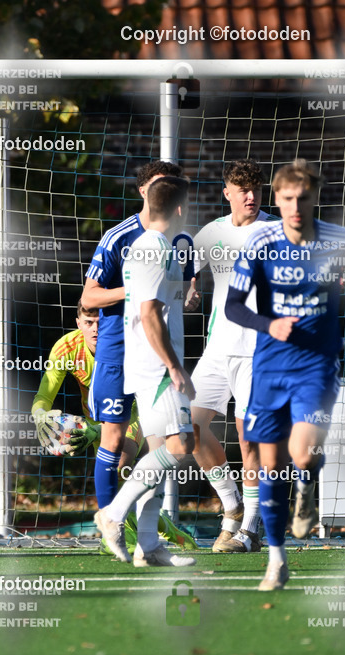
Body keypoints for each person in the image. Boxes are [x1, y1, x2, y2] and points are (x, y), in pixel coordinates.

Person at [224, 160, 345, 590]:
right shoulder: (260, 242)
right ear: (277, 199)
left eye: (302, 198)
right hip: (269, 367)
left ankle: (306, 485)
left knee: (302, 454)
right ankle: (275, 558)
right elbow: (234, 305)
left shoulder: (339, 241)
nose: (294, 206)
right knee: (269, 466)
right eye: (286, 198)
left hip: (316, 365)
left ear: (314, 199)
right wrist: (268, 325)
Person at [31, 301, 196, 553]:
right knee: (116, 480)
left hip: (135, 416)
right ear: (78, 324)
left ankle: (120, 536)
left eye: (101, 323)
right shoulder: (66, 348)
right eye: (88, 323)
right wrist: (40, 415)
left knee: (120, 465)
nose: (95, 329)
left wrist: (97, 431)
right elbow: (44, 394)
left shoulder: (128, 346)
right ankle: (161, 525)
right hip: (97, 421)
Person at [97, 176, 197, 567]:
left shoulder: (148, 246)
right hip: (156, 367)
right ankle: (114, 514)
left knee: (158, 453)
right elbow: (147, 313)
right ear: (179, 208)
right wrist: (174, 366)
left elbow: (154, 303)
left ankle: (150, 545)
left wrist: (182, 294)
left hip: (145, 362)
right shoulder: (154, 247)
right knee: (180, 447)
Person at [189, 159, 279, 553]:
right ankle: (232, 506)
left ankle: (252, 530)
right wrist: (190, 288)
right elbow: (186, 268)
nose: (251, 196)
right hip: (217, 350)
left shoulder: (277, 231)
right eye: (242, 189)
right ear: (226, 192)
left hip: (259, 353)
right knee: (187, 424)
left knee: (249, 441)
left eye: (256, 188)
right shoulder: (212, 232)